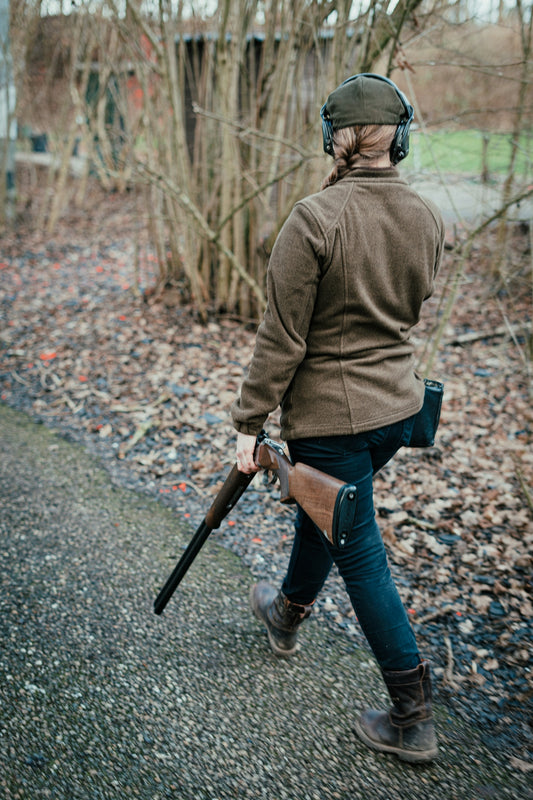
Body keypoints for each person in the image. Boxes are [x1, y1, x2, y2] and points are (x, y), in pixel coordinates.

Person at [231, 73, 445, 763]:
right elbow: (407, 309)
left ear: (334, 139)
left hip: (333, 418)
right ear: (398, 139)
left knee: (360, 553)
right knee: (327, 506)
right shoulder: (426, 215)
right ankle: (287, 611)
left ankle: (410, 718)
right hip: (398, 408)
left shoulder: (314, 218)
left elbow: (282, 338)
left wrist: (247, 423)